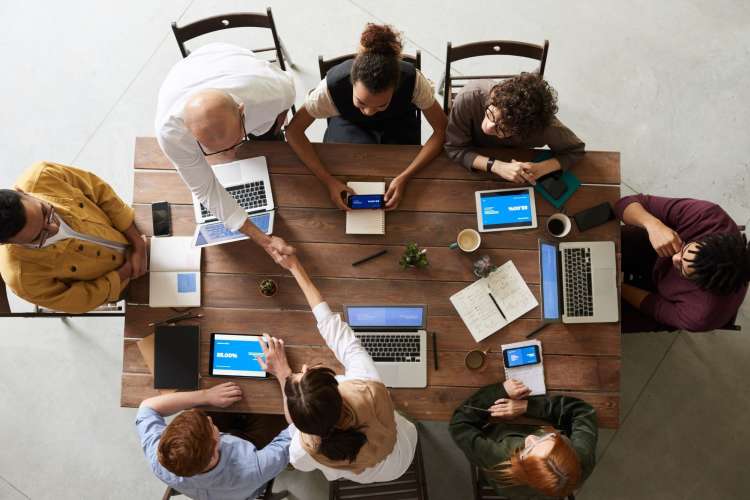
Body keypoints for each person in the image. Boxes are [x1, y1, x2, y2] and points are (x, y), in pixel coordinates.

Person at [257, 254, 418, 483]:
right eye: (306, 372)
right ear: (336, 389)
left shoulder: (303, 449)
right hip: (398, 453)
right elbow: (333, 328)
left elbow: (295, 424)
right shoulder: (365, 385)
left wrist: (283, 374)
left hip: (382, 472)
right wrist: (295, 265)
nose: (303, 367)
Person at [155, 42, 296, 262]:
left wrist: (275, 123)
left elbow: (287, 99)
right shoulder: (171, 134)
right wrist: (265, 240)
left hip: (231, 58)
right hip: (186, 73)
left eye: (234, 144)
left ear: (241, 110)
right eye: (214, 151)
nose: (230, 158)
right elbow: (207, 190)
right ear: (190, 135)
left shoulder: (271, 93)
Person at [285, 23, 447, 210]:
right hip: (349, 124)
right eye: (361, 102)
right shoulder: (331, 88)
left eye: (381, 104)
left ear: (396, 87)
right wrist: (328, 181)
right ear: (351, 82)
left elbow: (442, 129)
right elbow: (293, 132)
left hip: (398, 123)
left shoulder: (415, 81)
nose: (369, 111)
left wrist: (406, 176)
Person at [0, 161, 147, 313]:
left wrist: (137, 242)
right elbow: (81, 300)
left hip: (134, 232)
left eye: (46, 213)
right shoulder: (23, 279)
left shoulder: (44, 175)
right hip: (124, 290)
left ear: (22, 191)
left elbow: (100, 192)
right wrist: (128, 270)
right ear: (7, 243)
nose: (54, 227)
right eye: (39, 236)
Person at [615, 193, 749, 332]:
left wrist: (616, 285)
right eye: (686, 249)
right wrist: (653, 225)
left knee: (602, 317)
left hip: (658, 295)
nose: (675, 258)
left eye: (681, 269)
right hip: (649, 244)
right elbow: (624, 204)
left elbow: (654, 305)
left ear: (699, 285)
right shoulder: (707, 216)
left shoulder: (702, 315)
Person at [135, 382, 290, 499]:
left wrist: (206, 395)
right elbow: (294, 430)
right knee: (277, 415)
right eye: (211, 425)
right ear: (214, 452)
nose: (209, 419)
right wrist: (284, 376)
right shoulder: (254, 467)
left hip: (207, 484)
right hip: (247, 462)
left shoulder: (159, 458)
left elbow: (147, 407)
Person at [450, 379, 597, 499]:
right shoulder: (580, 462)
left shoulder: (499, 459)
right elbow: (584, 413)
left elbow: (458, 425)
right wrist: (528, 407)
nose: (531, 438)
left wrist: (500, 391)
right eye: (548, 438)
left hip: (498, 427)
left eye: (529, 450)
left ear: (522, 467)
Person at [444, 73, 585, 184]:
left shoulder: (545, 127)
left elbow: (575, 150)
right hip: (472, 165)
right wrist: (496, 166)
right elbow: (454, 148)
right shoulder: (468, 98)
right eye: (491, 114)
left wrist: (542, 168)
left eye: (502, 129)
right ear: (495, 98)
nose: (488, 127)